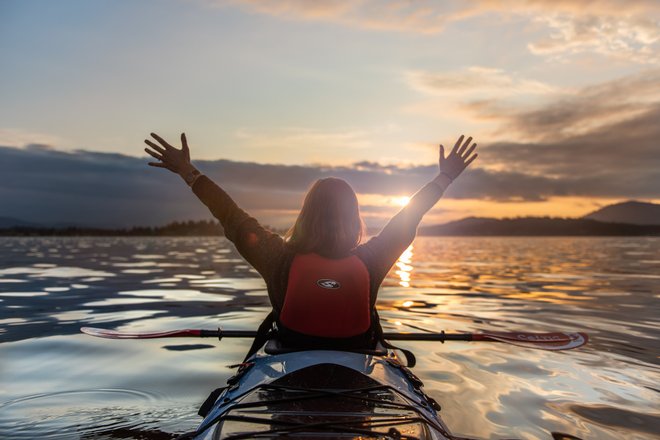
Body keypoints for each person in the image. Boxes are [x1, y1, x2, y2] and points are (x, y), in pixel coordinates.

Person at [144, 133, 477, 353]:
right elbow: (411, 214)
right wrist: (445, 177)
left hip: (290, 356)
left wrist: (189, 172)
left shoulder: (275, 256)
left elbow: (229, 213)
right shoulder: (372, 259)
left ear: (305, 214)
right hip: (357, 360)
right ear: (354, 218)